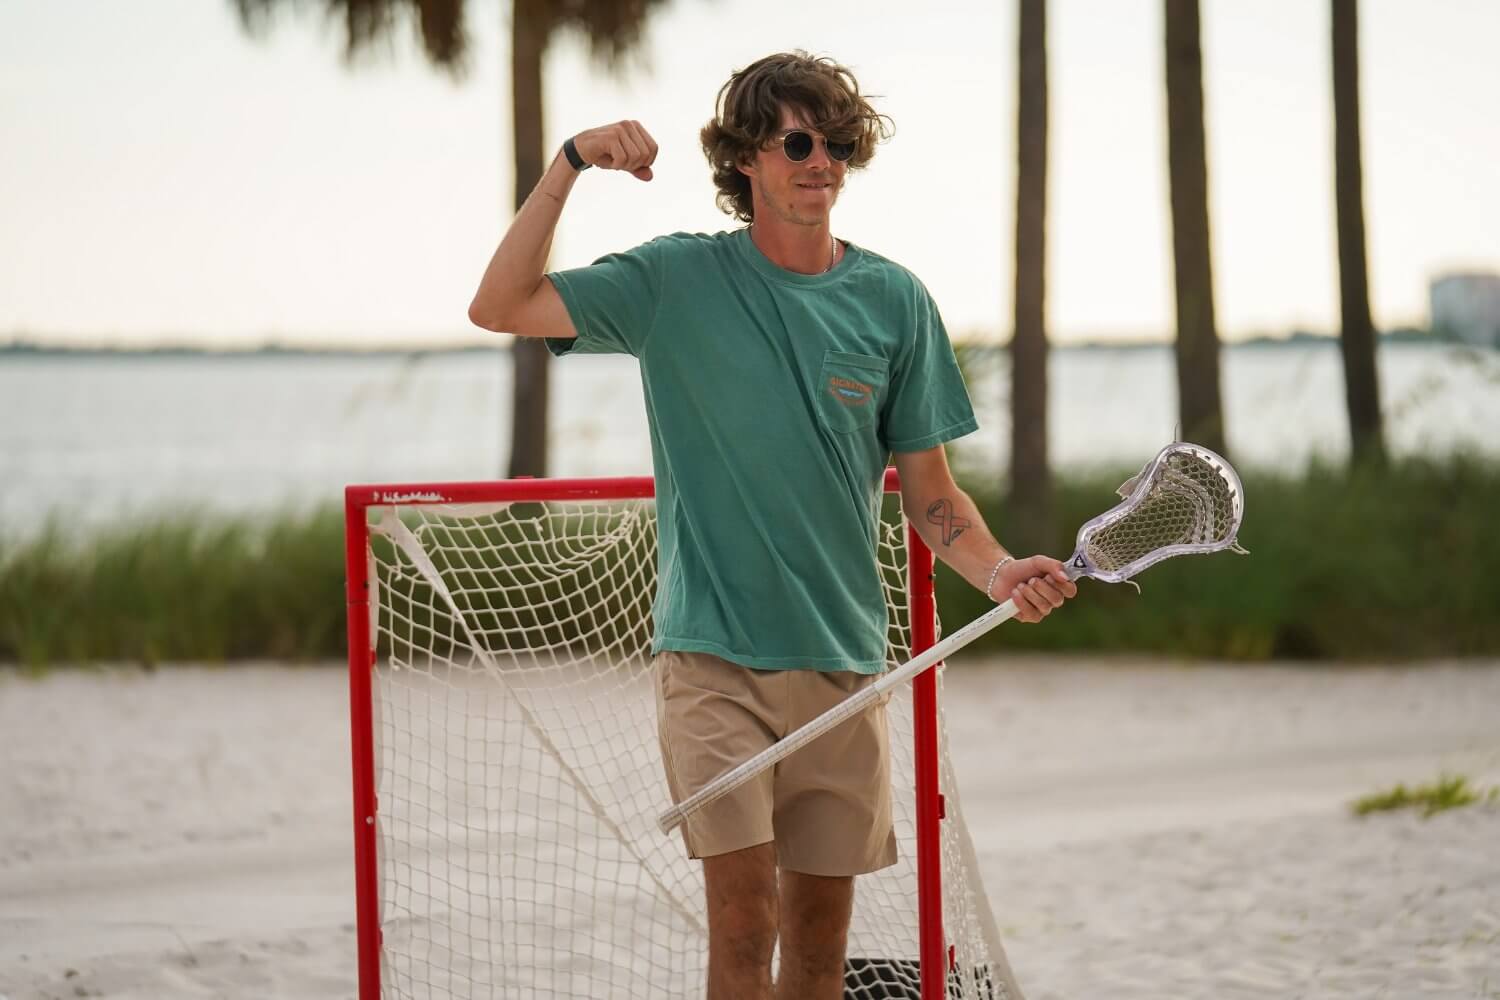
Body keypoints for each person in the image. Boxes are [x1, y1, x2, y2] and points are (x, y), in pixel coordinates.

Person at [468, 51, 1076, 1000]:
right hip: (714, 664)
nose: (820, 161)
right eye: (797, 141)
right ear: (745, 157)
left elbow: (930, 497)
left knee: (821, 957)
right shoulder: (674, 281)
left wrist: (999, 573)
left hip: (845, 667)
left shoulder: (895, 301)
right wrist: (571, 163)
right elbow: (498, 303)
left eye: (836, 143)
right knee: (745, 934)